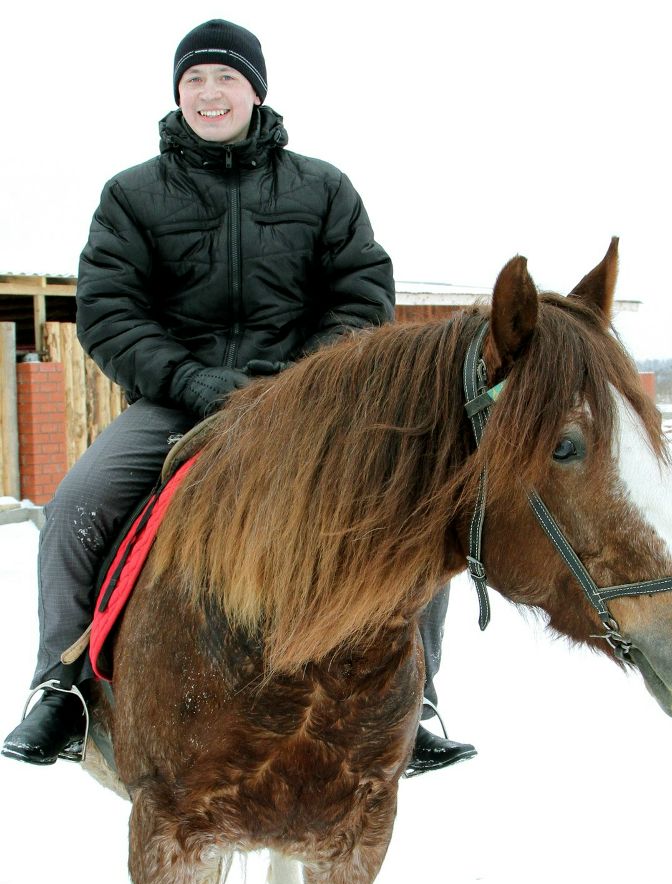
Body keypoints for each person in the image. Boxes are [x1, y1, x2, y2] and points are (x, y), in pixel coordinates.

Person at [2, 19, 474, 776]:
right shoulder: (130, 196)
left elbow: (361, 298)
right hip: (175, 402)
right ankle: (62, 688)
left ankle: (415, 703)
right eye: (194, 80)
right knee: (73, 508)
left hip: (306, 411)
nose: (209, 93)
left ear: (256, 90)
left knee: (410, 517)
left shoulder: (323, 189)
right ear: (178, 95)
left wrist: (300, 387)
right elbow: (109, 312)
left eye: (225, 78)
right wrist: (190, 380)